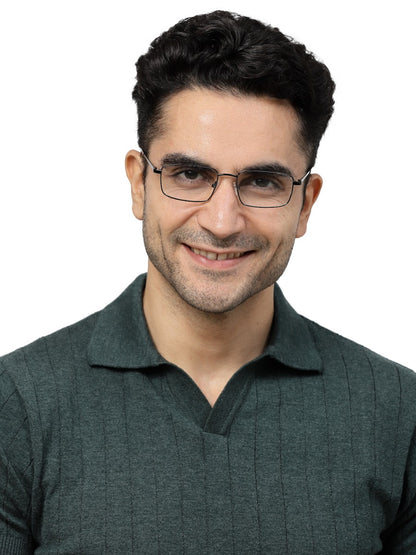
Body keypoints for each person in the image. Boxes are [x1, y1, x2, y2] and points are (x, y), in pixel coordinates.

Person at [0, 9, 415, 554]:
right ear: (139, 185)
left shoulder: (399, 410)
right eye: (190, 175)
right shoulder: (16, 404)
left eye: (262, 181)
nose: (222, 222)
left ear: (305, 204)